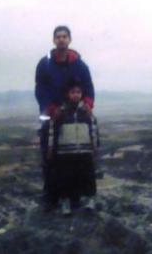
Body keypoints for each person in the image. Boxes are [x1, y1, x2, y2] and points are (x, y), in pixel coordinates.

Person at [35, 25, 95, 210]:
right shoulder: (44, 64)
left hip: (75, 115)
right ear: (53, 40)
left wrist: (87, 104)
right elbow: (40, 90)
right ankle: (51, 196)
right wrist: (51, 109)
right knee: (50, 156)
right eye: (58, 36)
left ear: (69, 40)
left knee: (76, 158)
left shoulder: (79, 65)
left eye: (64, 36)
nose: (61, 39)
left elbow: (88, 87)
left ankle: (74, 196)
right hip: (52, 116)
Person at [48, 82, 99, 215]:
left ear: (82, 94)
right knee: (66, 177)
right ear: (67, 94)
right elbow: (52, 130)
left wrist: (94, 145)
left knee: (88, 175)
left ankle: (90, 200)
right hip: (65, 151)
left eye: (78, 92)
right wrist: (50, 148)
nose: (76, 95)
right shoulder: (61, 112)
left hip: (85, 149)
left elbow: (93, 127)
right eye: (73, 92)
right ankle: (66, 203)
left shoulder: (86, 111)